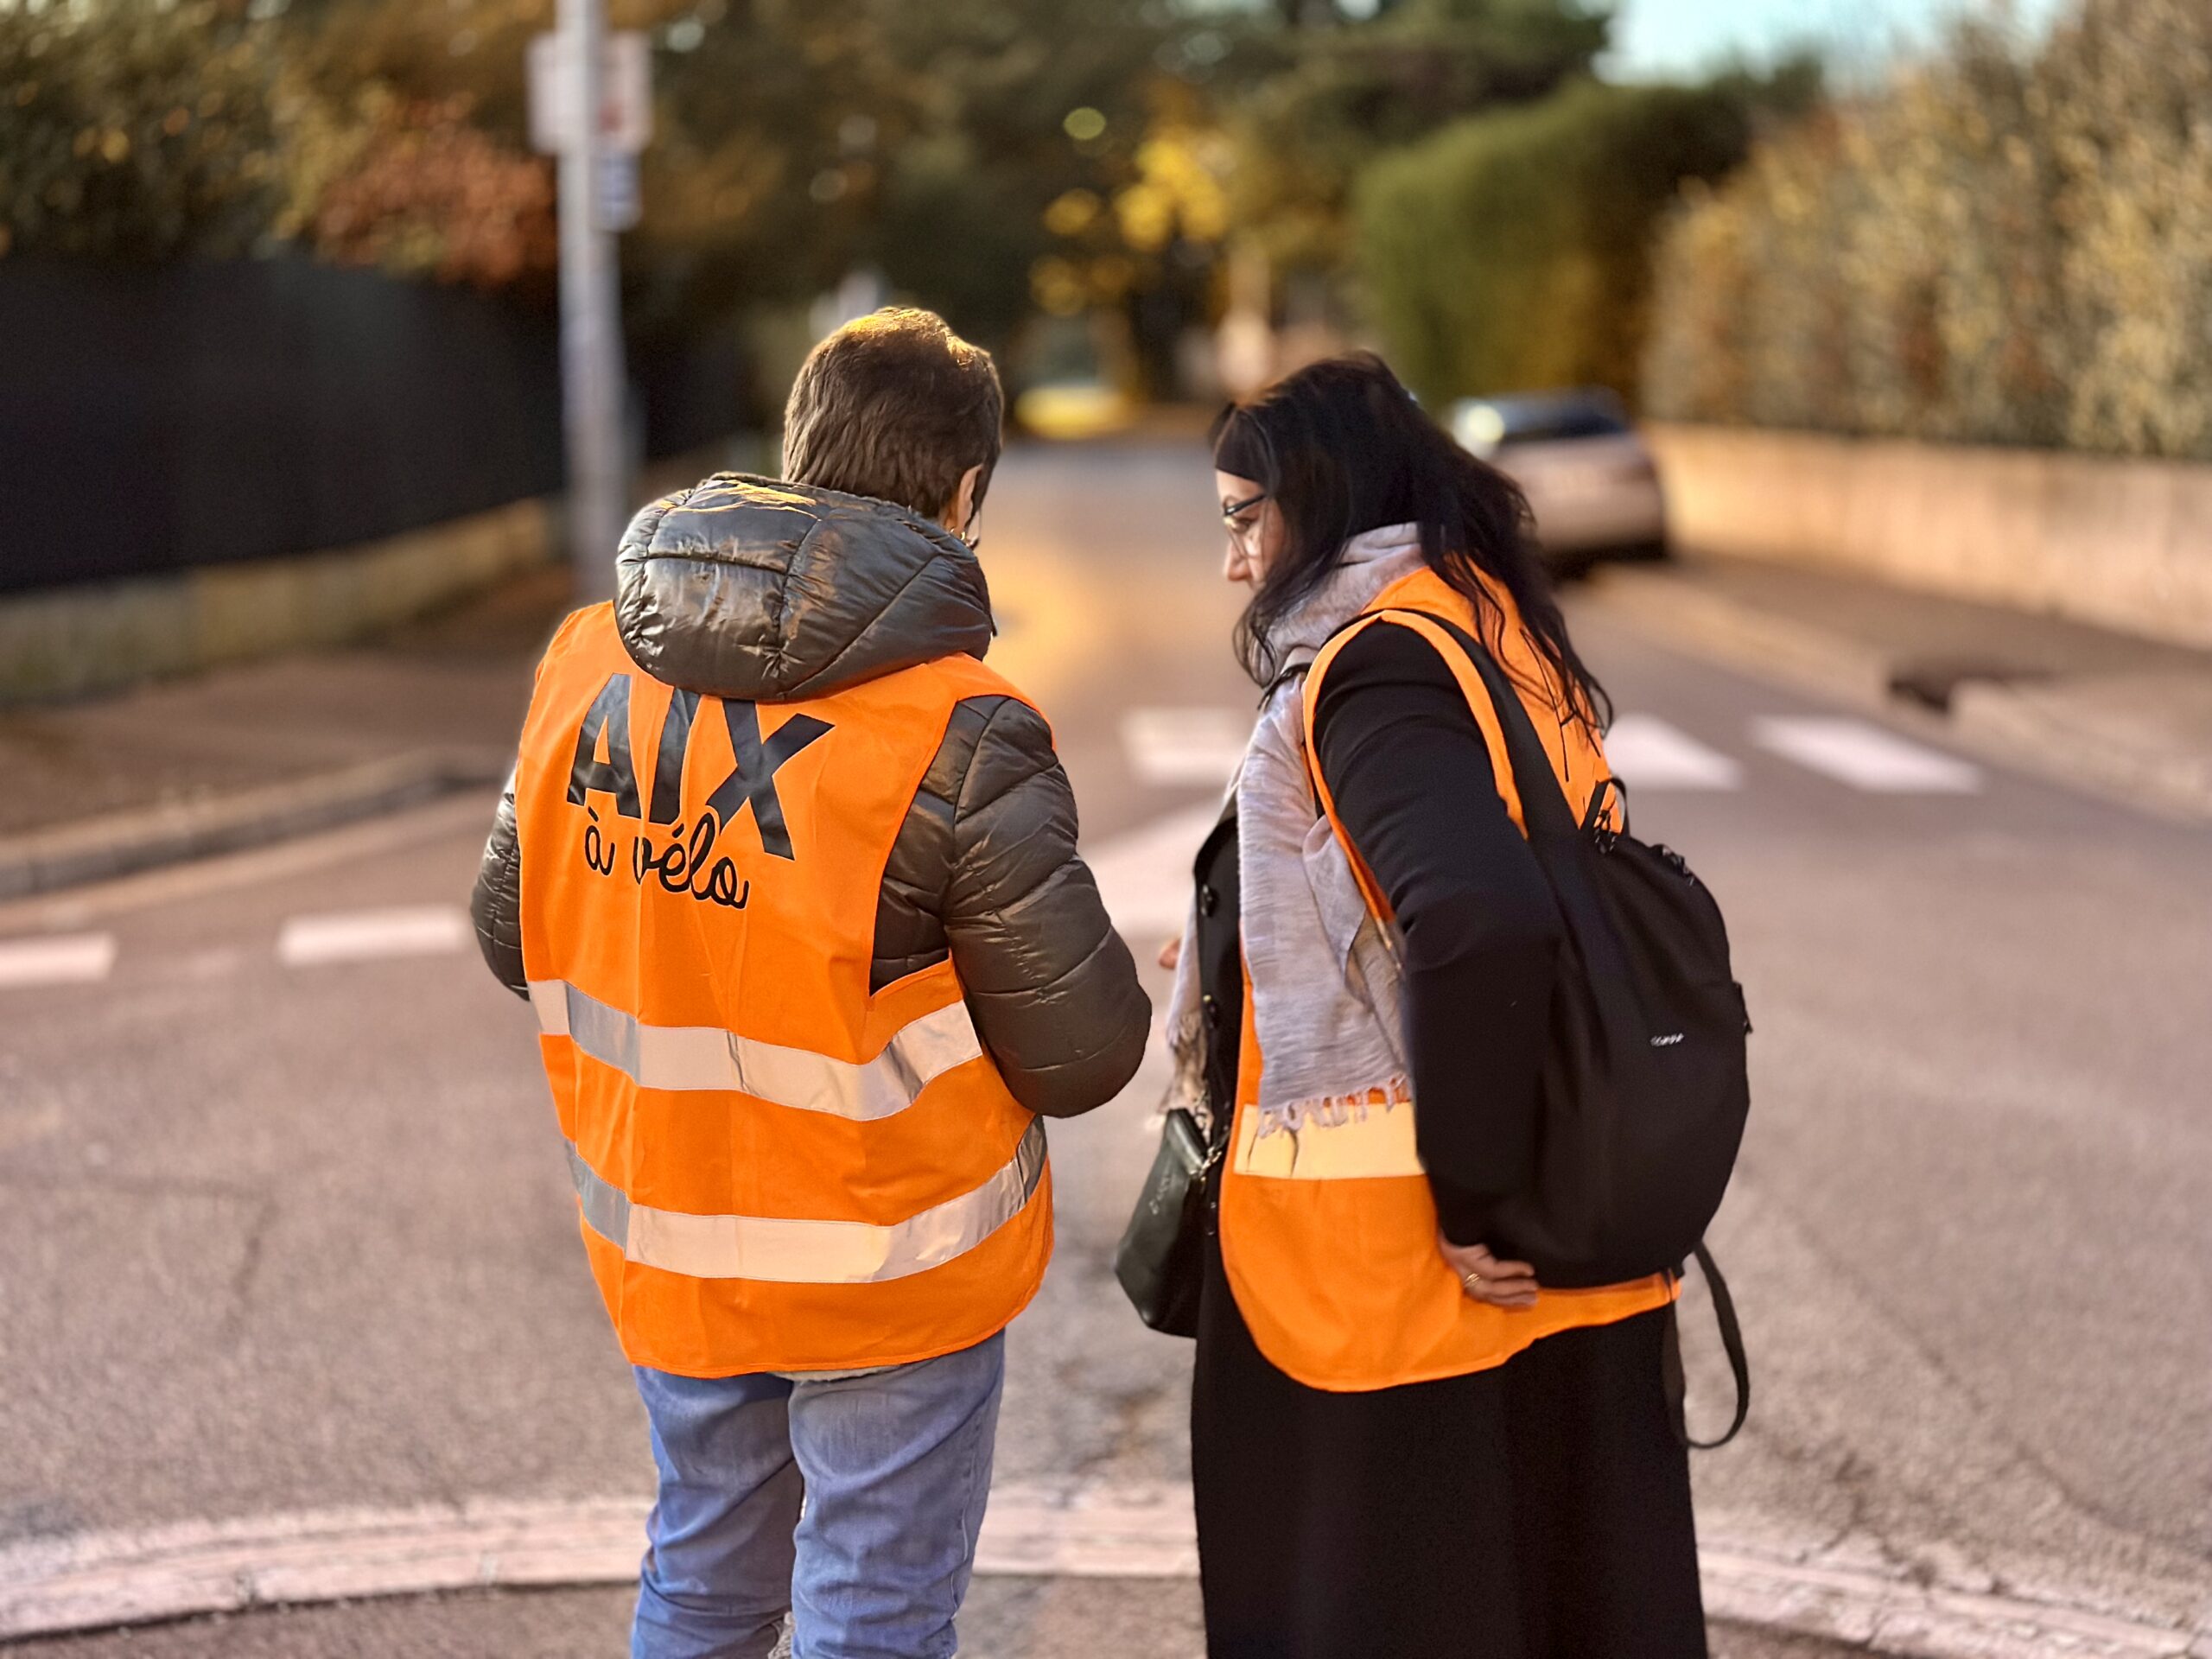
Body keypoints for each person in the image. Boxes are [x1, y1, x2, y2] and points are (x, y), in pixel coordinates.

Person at [470, 308, 1150, 1659]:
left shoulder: (584, 661)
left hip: (670, 1235)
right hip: (891, 1269)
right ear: (965, 496)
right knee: (873, 1617)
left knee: (702, 1588)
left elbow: (514, 932)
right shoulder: (961, 728)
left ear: (796, 447)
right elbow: (1083, 1056)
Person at [1164, 353, 1707, 1657]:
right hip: (1567, 1242)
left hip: (1397, 1272)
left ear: (1323, 501)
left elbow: (1477, 915)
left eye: (1245, 518)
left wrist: (1472, 1191)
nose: (1235, 563)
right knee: (1560, 1591)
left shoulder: (1379, 669)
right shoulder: (1486, 624)